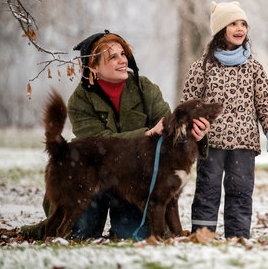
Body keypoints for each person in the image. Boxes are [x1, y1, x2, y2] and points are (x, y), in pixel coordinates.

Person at [21, 30, 210, 240]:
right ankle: (42, 230)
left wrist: (195, 134)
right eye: (113, 57)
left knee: (132, 235)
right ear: (93, 67)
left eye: (123, 54)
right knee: (80, 232)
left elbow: (171, 129)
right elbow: (98, 140)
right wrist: (146, 133)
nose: (123, 60)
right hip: (89, 172)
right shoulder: (80, 100)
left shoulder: (145, 87)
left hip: (133, 182)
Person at [181, 1, 268, 239]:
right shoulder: (203, 67)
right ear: (220, 29)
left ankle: (238, 237)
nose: (240, 28)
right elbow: (189, 103)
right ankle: (203, 236)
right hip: (211, 143)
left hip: (244, 144)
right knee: (207, 191)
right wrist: (192, 131)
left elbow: (265, 102)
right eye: (233, 23)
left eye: (243, 24)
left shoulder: (254, 68)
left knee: (240, 191)